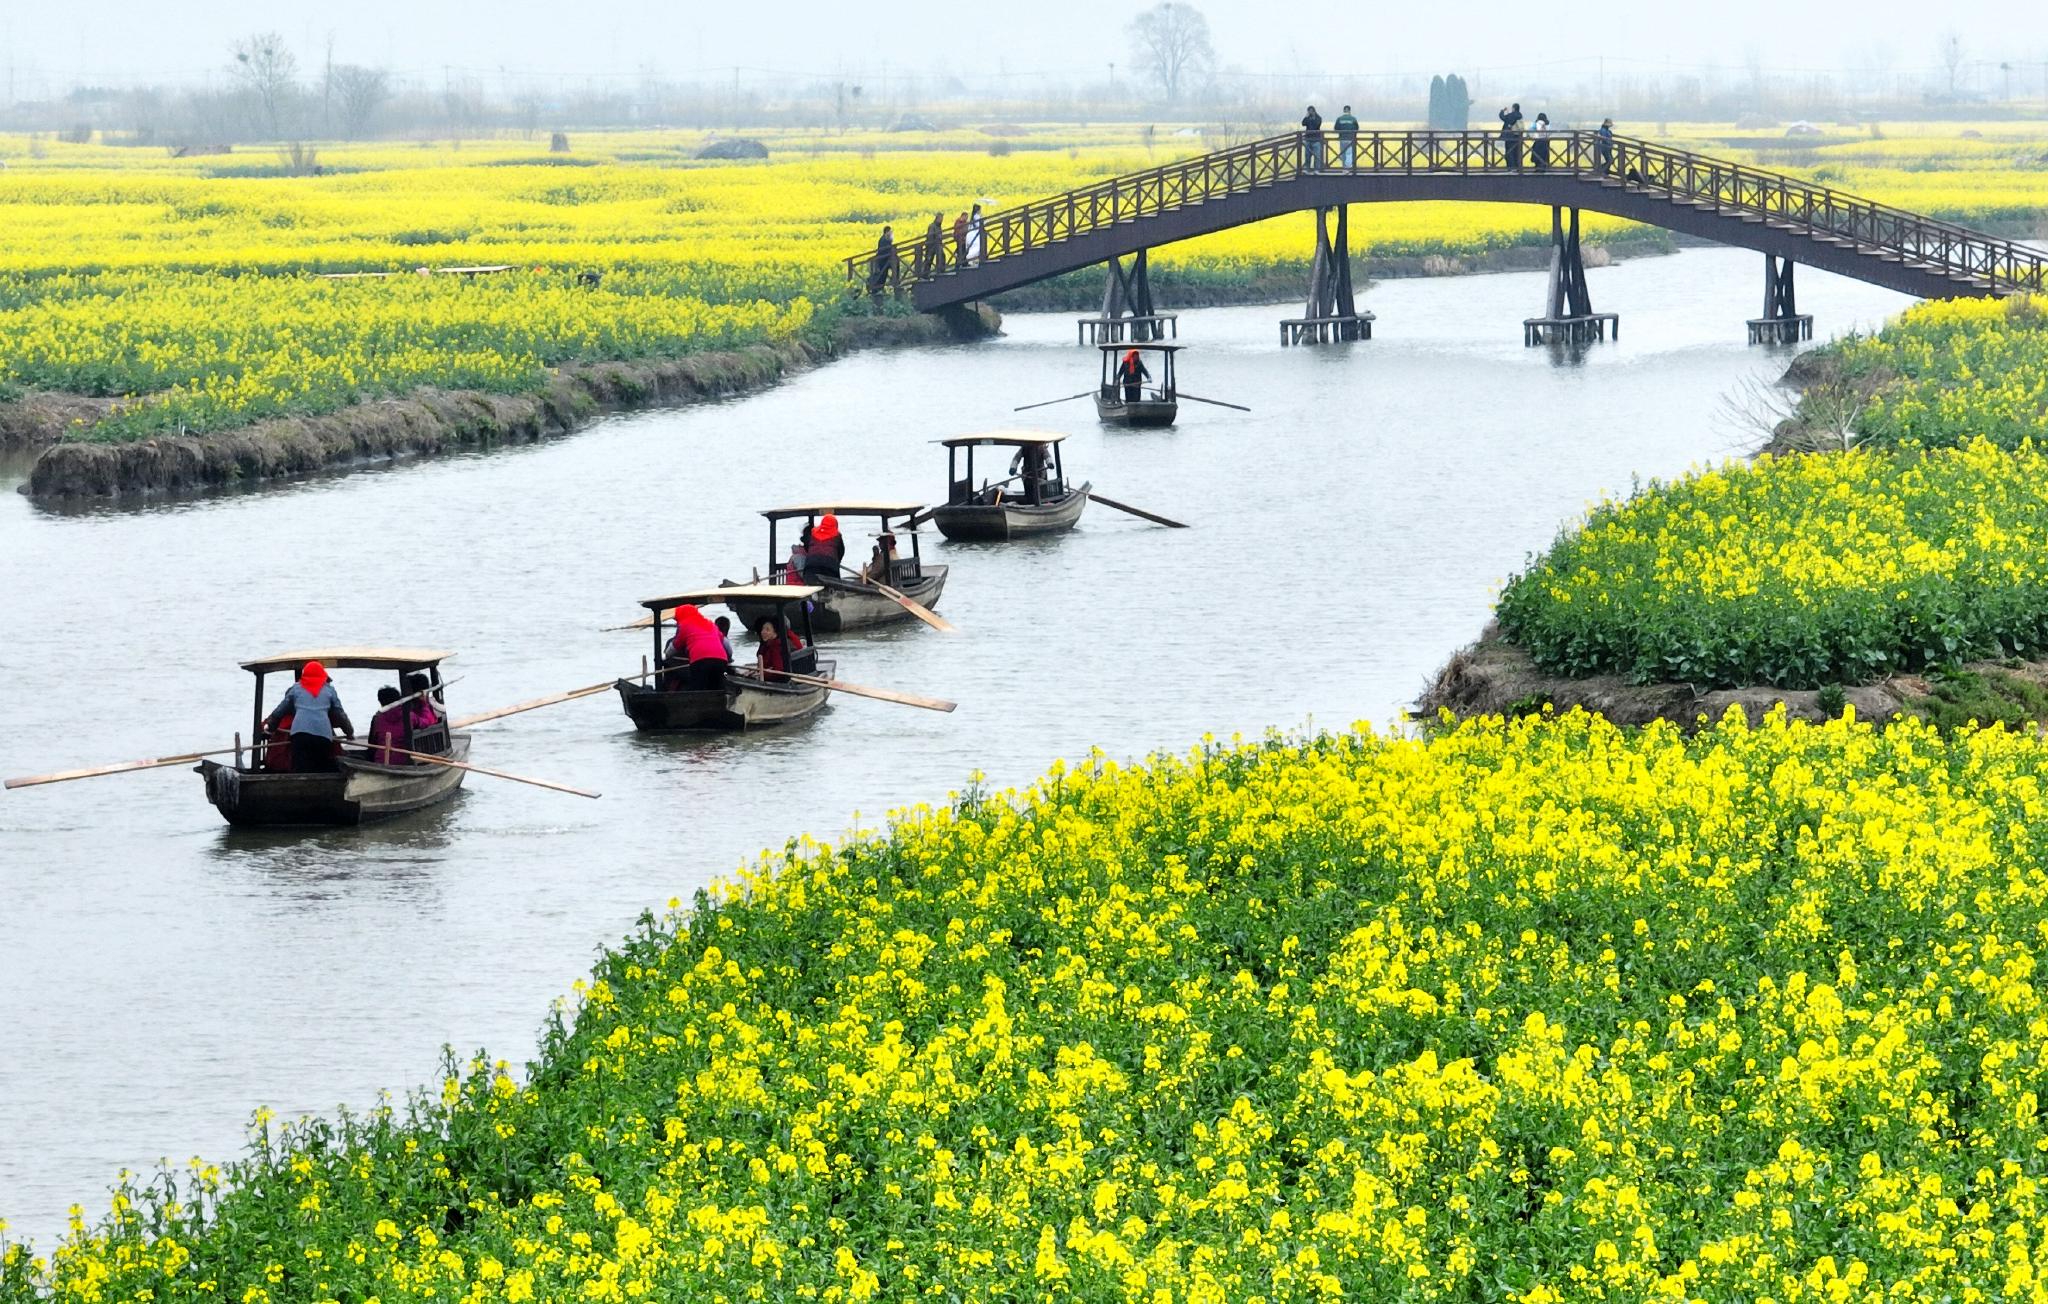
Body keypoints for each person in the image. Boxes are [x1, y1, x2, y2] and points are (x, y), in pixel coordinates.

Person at [264, 660, 353, 774]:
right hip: (323, 735)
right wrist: (349, 732)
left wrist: (271, 727)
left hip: (299, 734)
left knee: (300, 768)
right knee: (320, 767)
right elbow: (340, 714)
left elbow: (280, 711)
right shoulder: (329, 690)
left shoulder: (296, 688)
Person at [665, 604, 731, 691]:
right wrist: (728, 657)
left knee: (699, 689)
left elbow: (674, 647)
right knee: (717, 689)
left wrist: (666, 654)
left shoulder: (684, 625)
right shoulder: (710, 623)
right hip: (721, 661)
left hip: (700, 661)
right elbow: (726, 644)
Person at [755, 615, 805, 684]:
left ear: (775, 632)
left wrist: (762, 674)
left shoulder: (776, 645)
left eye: (767, 630)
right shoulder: (774, 642)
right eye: (762, 629)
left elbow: (778, 671)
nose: (763, 632)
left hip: (778, 680)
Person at [368, 686, 408, 765]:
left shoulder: (377, 718)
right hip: (404, 760)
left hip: (380, 760)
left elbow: (372, 743)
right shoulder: (408, 716)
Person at [801, 514, 845, 579]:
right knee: (833, 586)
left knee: (810, 584)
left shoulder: (813, 533)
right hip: (830, 567)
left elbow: (808, 547)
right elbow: (841, 551)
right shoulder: (837, 535)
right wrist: (837, 561)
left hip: (810, 566)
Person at [867, 225, 896, 296]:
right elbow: (884, 250)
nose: (891, 233)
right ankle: (876, 288)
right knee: (882, 275)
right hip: (882, 260)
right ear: (886, 232)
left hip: (885, 259)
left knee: (884, 274)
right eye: (890, 231)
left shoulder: (886, 238)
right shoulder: (883, 239)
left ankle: (880, 288)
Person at [1499, 102, 1524, 169]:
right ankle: (1518, 166)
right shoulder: (1520, 115)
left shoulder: (1511, 115)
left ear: (1513, 108)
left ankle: (1511, 166)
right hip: (1518, 136)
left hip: (1509, 136)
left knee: (1509, 152)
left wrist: (1502, 111)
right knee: (1517, 151)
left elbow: (1503, 117)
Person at [1300, 104, 1324, 171]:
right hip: (1308, 139)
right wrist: (1306, 116)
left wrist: (1311, 119)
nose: (1310, 112)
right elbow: (1303, 123)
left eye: (1311, 111)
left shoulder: (1318, 118)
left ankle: (1317, 169)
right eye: (1308, 111)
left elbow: (1317, 125)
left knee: (1317, 156)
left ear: (1314, 111)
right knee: (1307, 156)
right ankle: (1307, 169)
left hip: (1316, 139)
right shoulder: (1307, 118)